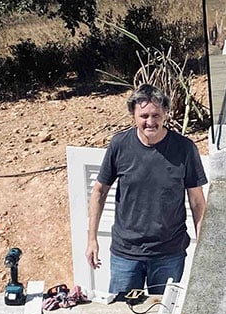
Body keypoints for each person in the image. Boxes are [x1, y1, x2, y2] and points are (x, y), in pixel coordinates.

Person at [86, 84, 207, 297]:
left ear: (166, 114)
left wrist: (204, 245)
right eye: (144, 116)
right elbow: (99, 192)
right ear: (133, 114)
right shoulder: (119, 145)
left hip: (169, 253)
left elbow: (197, 202)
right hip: (126, 254)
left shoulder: (185, 149)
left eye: (156, 115)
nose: (150, 122)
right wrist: (92, 239)